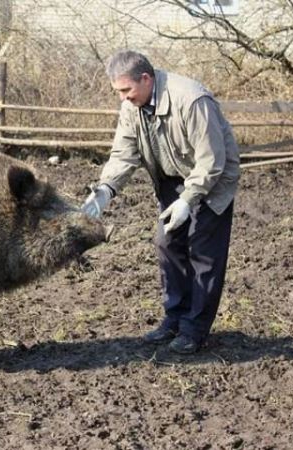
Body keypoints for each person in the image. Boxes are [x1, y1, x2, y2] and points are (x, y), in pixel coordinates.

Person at [82, 50, 240, 354]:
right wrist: (105, 190)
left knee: (203, 253)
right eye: (118, 92)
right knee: (166, 243)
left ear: (146, 78)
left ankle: (195, 329)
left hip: (211, 179)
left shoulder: (192, 100)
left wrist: (188, 200)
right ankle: (175, 317)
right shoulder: (133, 105)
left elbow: (211, 161)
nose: (123, 98)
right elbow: (124, 153)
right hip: (171, 177)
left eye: (126, 90)